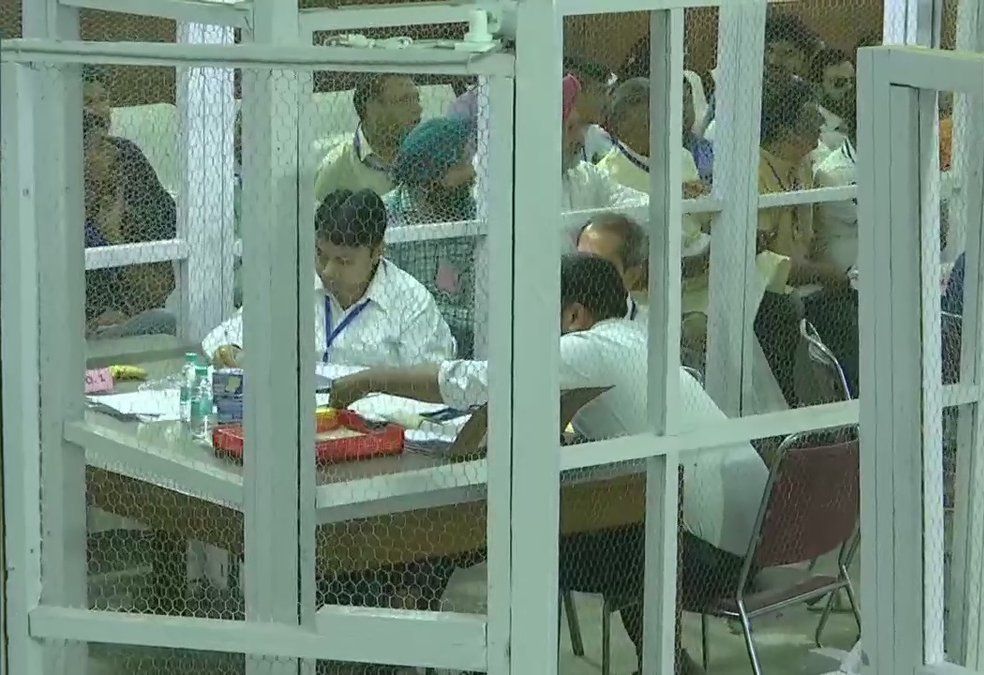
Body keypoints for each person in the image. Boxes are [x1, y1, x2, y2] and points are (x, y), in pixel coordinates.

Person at [330, 253, 768, 674]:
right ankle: (666, 660)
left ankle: (431, 653)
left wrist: (369, 379)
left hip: (701, 558)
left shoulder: (585, 349)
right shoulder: (642, 337)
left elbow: (471, 382)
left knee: (488, 538)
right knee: (620, 524)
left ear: (575, 315)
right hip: (760, 545)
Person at [202, 189, 456, 368]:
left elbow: (431, 385)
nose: (327, 272)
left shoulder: (411, 303)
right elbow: (221, 339)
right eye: (321, 255)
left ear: (378, 251)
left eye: (344, 261)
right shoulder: (294, 285)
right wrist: (230, 353)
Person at [576, 214, 790, 412]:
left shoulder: (656, 339)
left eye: (597, 266)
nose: (581, 275)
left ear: (632, 276)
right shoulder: (556, 321)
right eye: (579, 261)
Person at [82, 68, 177, 338]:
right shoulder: (45, 188)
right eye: (88, 103)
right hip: (74, 331)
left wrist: (114, 236)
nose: (99, 111)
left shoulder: (128, 159)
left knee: (165, 320)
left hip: (132, 314)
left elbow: (159, 286)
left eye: (103, 99)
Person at [382, 116, 479, 357]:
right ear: (430, 176)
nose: (472, 172)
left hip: (468, 345)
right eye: (462, 163)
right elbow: (396, 308)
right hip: (400, 347)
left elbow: (482, 302)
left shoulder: (474, 215)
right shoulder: (387, 219)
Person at [561, 75, 646, 244]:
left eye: (580, 127)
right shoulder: (516, 188)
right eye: (570, 128)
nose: (581, 140)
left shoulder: (585, 177)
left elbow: (641, 206)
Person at [313, 74, 422, 201]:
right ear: (371, 109)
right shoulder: (337, 169)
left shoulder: (431, 157)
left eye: (417, 99)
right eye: (404, 101)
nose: (418, 109)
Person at [563, 55, 617, 163]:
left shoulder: (598, 137)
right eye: (601, 91)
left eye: (609, 93)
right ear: (580, 90)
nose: (607, 100)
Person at [808, 48, 857, 158]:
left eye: (853, 81)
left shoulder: (864, 121)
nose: (850, 87)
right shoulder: (815, 133)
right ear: (817, 87)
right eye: (839, 82)